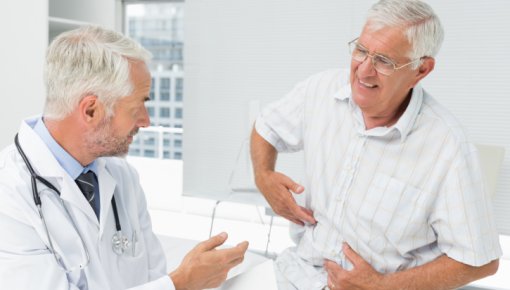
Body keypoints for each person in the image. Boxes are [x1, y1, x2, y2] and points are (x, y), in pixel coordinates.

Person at [250, 0, 501, 289]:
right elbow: (265, 127)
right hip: (298, 273)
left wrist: (380, 286)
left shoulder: (448, 148)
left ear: (421, 70)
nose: (364, 71)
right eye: (361, 51)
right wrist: (264, 177)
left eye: (384, 61)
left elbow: (479, 260)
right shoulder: (320, 90)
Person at [0, 25, 248, 290]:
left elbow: (153, 276)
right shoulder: (10, 194)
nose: (146, 120)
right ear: (91, 110)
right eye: (137, 105)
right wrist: (181, 284)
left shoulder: (122, 176)